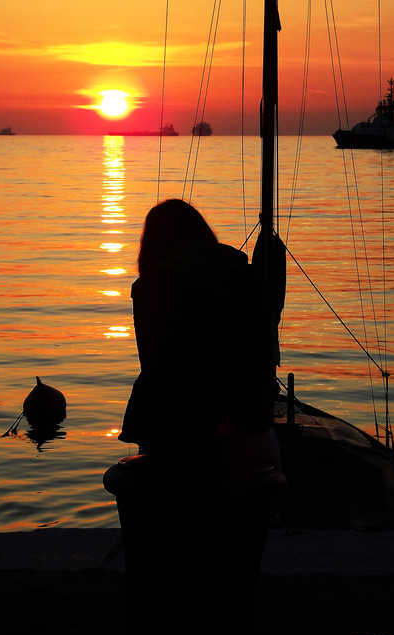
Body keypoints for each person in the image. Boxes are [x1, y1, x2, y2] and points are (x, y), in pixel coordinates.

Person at [119, 197, 286, 476]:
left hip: (174, 426)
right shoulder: (248, 277)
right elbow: (262, 352)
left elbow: (153, 364)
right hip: (245, 417)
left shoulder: (150, 287)